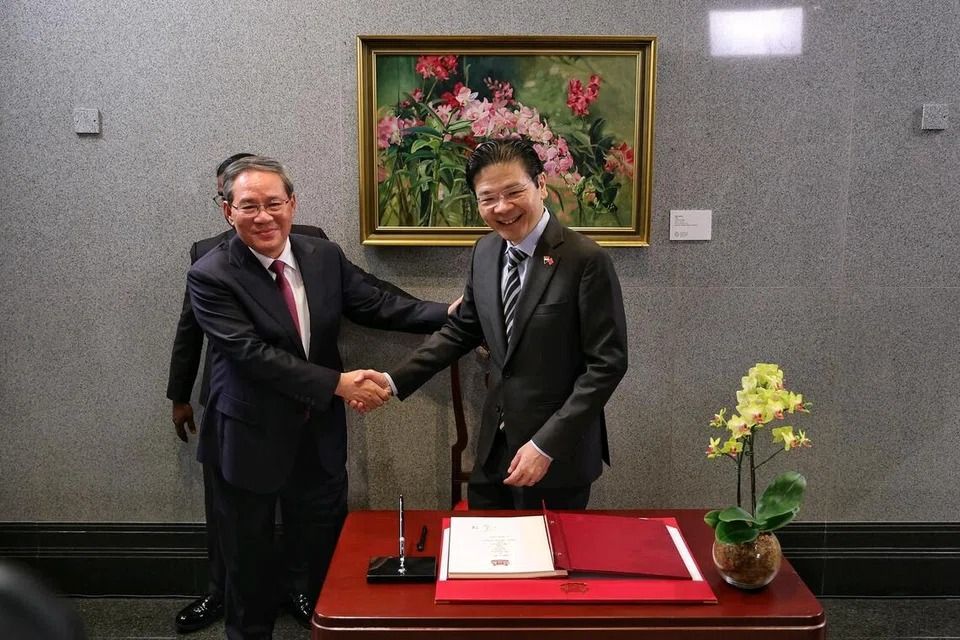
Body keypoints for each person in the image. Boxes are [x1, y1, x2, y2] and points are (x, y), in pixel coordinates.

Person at [186, 156, 451, 639]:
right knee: (248, 560)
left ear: (292, 203)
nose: (263, 216)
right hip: (248, 435)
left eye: (273, 203)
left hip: (318, 430)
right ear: (228, 212)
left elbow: (376, 301)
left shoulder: (321, 255)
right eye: (249, 206)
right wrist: (337, 383)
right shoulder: (211, 274)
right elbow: (250, 355)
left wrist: (450, 313)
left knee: (324, 540)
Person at [370, 138, 628, 510]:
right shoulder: (486, 250)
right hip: (493, 450)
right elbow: (462, 328)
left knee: (546, 563)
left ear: (540, 185)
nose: (502, 208)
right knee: (485, 555)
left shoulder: (585, 260)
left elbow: (607, 365)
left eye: (513, 192)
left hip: (556, 454)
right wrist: (393, 380)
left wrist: (545, 445)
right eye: (488, 198)